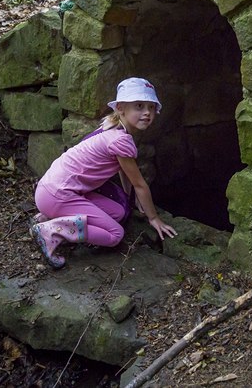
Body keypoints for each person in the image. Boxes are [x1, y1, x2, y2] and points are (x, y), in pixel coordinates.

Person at [30, 77, 178, 269]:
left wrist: (129, 198)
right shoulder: (120, 140)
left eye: (151, 107)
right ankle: (51, 230)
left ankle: (50, 216)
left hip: (51, 189)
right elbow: (140, 184)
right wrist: (153, 218)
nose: (147, 113)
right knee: (115, 234)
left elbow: (126, 175)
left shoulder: (110, 127)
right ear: (121, 108)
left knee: (117, 212)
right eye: (139, 106)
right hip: (58, 195)